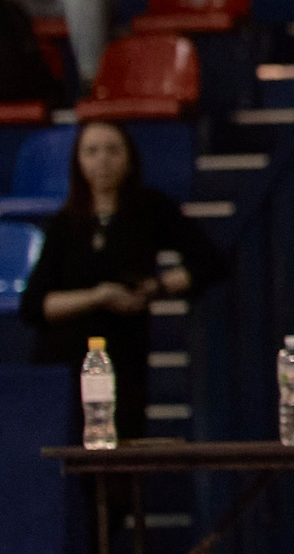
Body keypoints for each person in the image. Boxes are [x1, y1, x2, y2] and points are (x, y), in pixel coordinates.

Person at [22, 120, 230, 441]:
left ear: (130, 159)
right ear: (78, 162)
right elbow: (35, 305)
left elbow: (210, 262)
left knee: (121, 443)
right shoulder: (66, 222)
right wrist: (99, 296)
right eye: (91, 151)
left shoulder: (151, 209)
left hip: (124, 354)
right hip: (64, 357)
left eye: (112, 150)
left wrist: (157, 287)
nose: (102, 160)